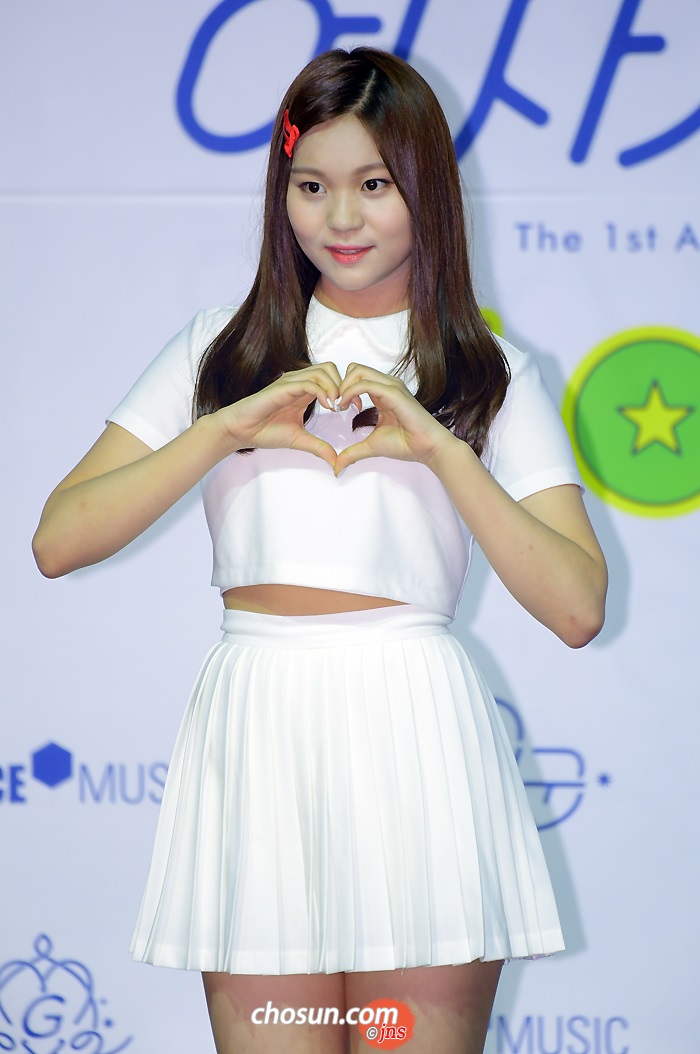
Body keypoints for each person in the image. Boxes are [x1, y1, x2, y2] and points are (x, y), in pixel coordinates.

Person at [33, 46, 607, 1054]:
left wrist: (439, 446)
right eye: (311, 186)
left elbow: (576, 606)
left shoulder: (487, 371)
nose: (340, 217)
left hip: (415, 731)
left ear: (425, 190)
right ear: (282, 192)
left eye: (374, 185)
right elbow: (58, 539)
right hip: (258, 726)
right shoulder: (220, 349)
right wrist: (223, 428)